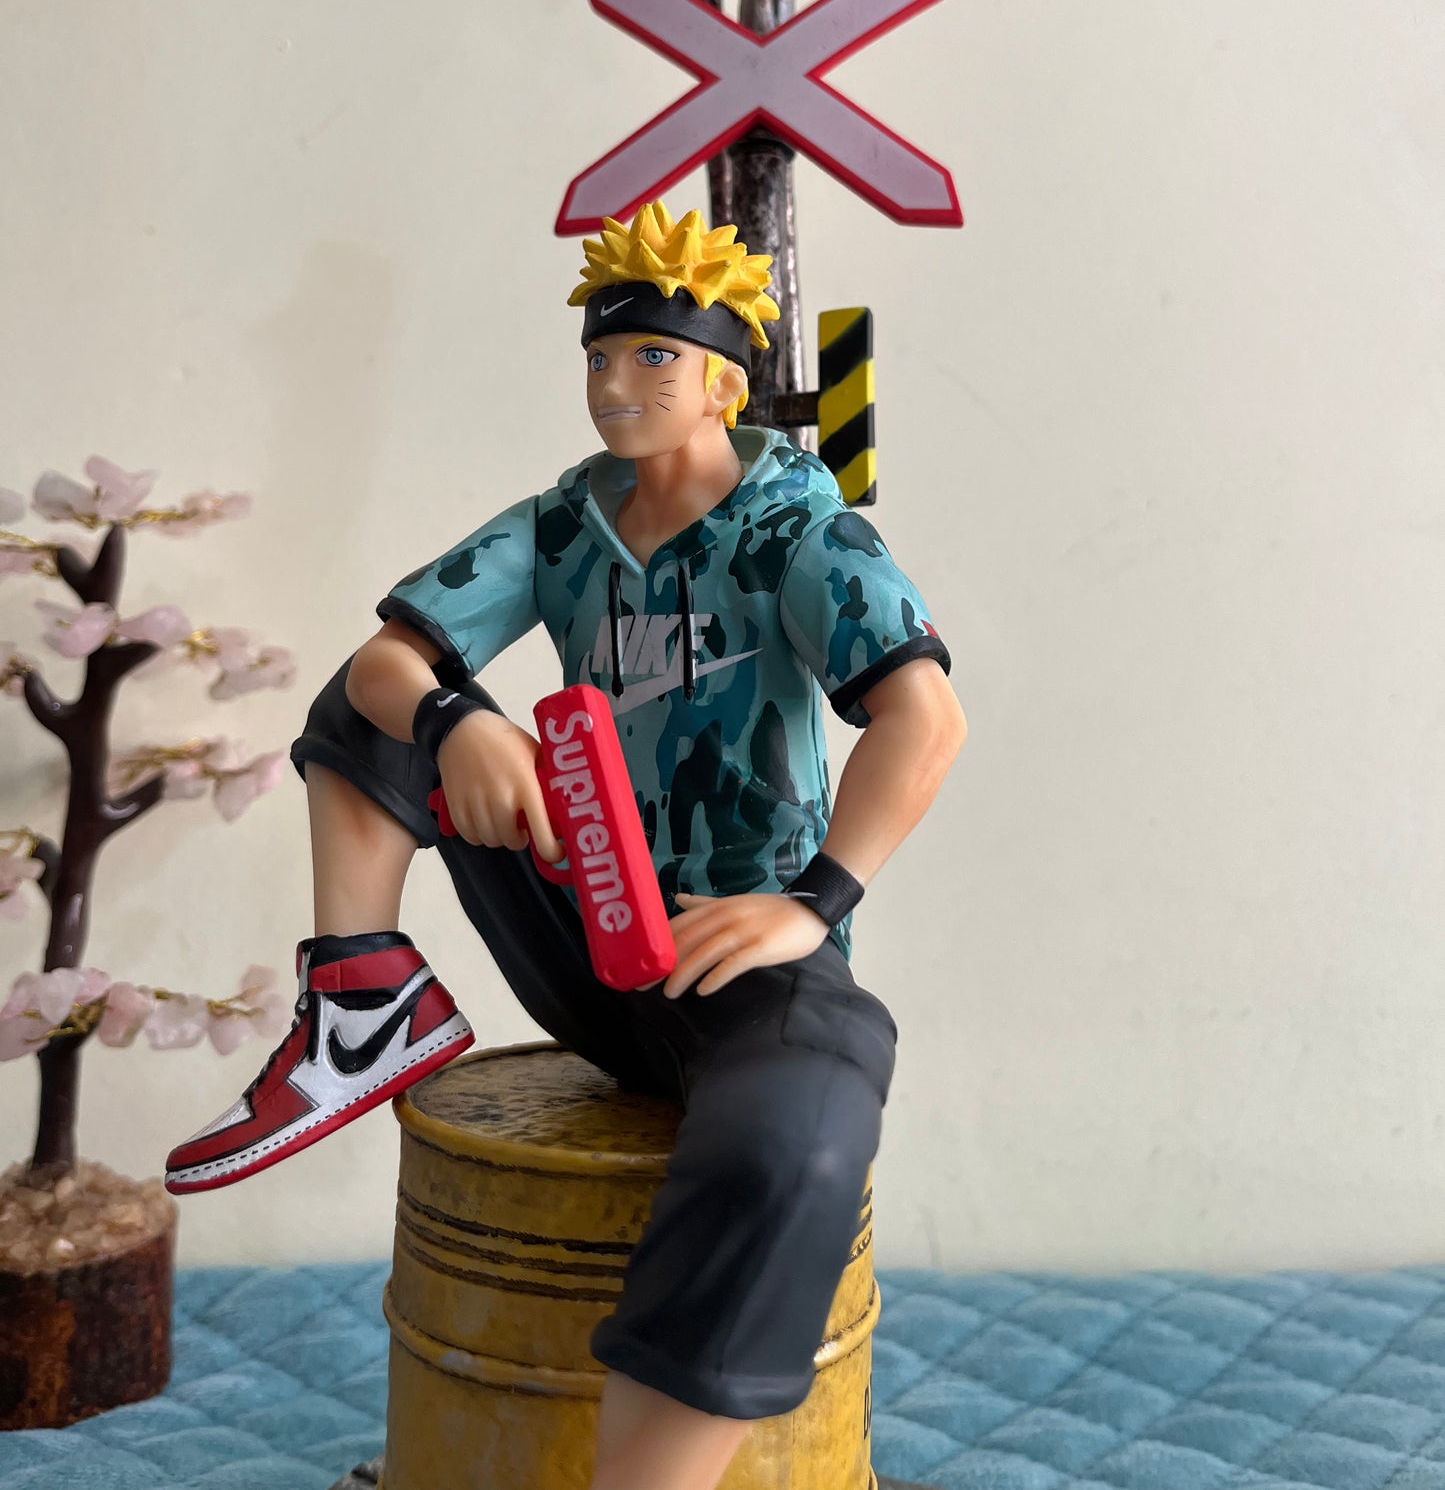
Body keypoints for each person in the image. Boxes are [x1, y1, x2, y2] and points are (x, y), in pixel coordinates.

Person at [166, 201, 967, 1490]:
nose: (612, 383)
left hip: (729, 962)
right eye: (598, 356)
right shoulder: (560, 524)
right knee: (377, 701)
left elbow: (923, 716)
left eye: (650, 356)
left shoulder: (802, 533)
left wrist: (812, 904)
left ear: (724, 382)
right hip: (583, 911)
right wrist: (458, 722)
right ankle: (362, 1006)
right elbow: (383, 665)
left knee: (809, 1114)